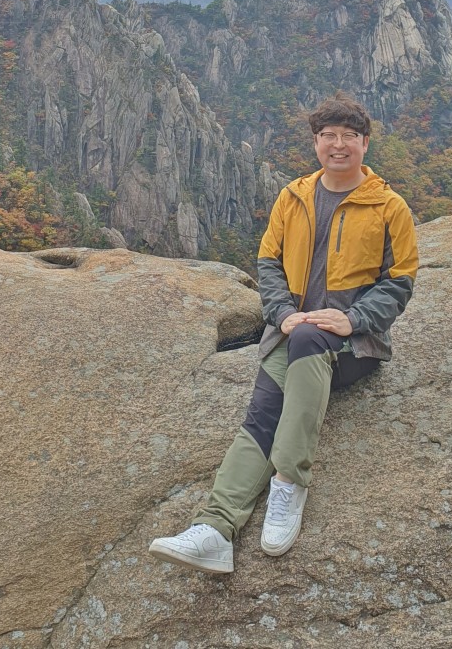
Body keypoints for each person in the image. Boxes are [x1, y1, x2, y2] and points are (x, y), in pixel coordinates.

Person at [149, 93, 418, 574]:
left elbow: (400, 280)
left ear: (365, 143)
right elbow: (268, 262)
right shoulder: (293, 196)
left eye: (349, 137)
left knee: (308, 346)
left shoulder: (388, 206)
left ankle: (289, 483)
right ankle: (214, 529)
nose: (339, 146)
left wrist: (354, 320)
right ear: (316, 142)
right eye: (328, 136)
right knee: (263, 410)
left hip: (356, 345)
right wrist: (280, 312)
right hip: (294, 335)